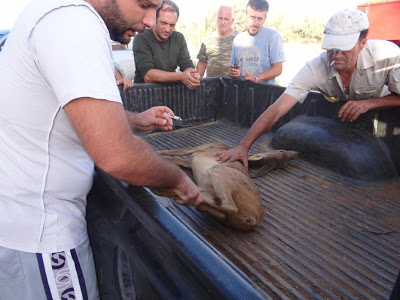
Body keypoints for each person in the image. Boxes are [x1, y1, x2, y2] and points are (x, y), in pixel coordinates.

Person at [0, 0, 203, 298]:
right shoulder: (73, 21)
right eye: (144, 4)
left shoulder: (53, 12)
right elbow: (117, 155)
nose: (149, 20)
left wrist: (133, 119)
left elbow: (70, 108)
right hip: (42, 235)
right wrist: (176, 179)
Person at [217, 9, 400, 169]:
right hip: (341, 126)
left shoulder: (386, 56)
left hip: (385, 127)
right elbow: (276, 109)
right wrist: (243, 146)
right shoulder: (316, 68)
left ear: (362, 43)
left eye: (344, 49)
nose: (336, 55)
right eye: (331, 48)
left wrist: (369, 103)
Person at [132, 0, 200, 89]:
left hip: (169, 93)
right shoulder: (142, 38)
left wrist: (191, 74)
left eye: (172, 25)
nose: (167, 29)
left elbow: (186, 63)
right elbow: (148, 75)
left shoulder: (179, 38)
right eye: (164, 23)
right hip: (145, 94)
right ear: (155, 19)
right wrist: (182, 76)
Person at [229, 0, 285, 84]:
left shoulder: (272, 36)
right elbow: (232, 70)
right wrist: (234, 73)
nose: (255, 23)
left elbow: (278, 69)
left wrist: (256, 78)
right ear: (246, 16)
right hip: (241, 93)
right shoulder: (238, 39)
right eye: (252, 17)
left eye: (259, 19)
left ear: (265, 19)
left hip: (265, 94)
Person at [196, 5, 238, 78]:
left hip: (233, 87)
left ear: (232, 21)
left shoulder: (240, 39)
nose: (222, 22)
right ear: (216, 19)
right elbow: (201, 65)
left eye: (226, 19)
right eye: (220, 18)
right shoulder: (207, 40)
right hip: (210, 87)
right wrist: (195, 79)